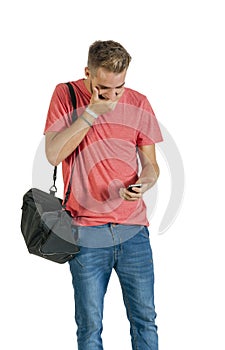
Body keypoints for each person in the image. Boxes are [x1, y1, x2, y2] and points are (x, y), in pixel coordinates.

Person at [44, 40, 163, 350]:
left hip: (133, 231)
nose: (111, 97)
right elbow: (54, 155)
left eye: (119, 89)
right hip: (85, 232)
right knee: (90, 326)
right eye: (103, 89)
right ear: (88, 73)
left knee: (144, 319)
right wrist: (91, 113)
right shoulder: (66, 95)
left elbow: (151, 166)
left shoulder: (139, 103)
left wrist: (144, 184)